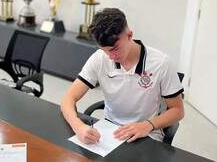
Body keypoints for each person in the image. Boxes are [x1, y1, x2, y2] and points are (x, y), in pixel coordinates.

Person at [61, 8, 184, 144]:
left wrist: (148, 125)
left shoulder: (161, 64)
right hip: (110, 131)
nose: (111, 56)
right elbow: (68, 99)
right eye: (105, 50)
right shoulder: (100, 58)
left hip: (146, 134)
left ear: (129, 35)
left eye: (115, 49)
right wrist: (78, 127)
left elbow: (177, 110)